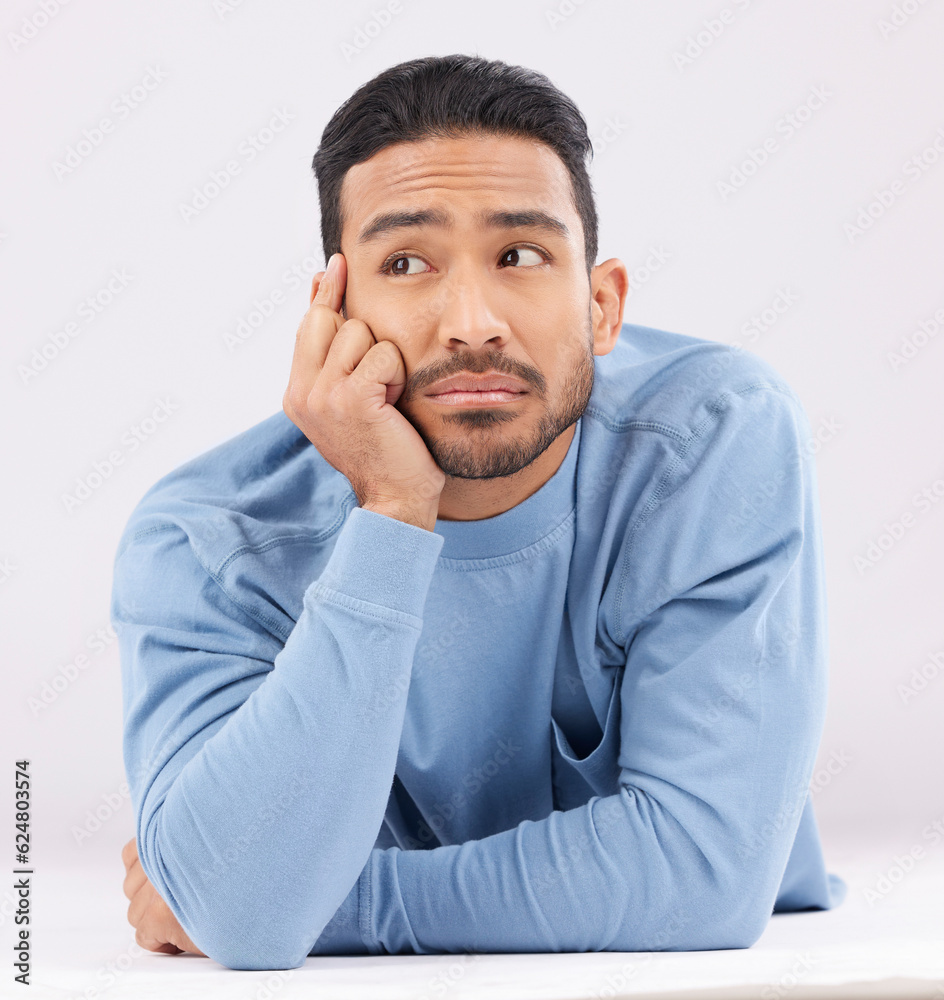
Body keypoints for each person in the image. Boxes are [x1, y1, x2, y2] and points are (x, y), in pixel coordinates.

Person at [115, 53, 847, 970]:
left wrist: (305, 905)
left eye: (522, 255)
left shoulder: (712, 439)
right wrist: (391, 513)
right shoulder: (207, 540)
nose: (471, 321)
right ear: (331, 312)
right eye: (408, 261)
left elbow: (704, 871)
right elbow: (241, 914)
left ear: (603, 306)